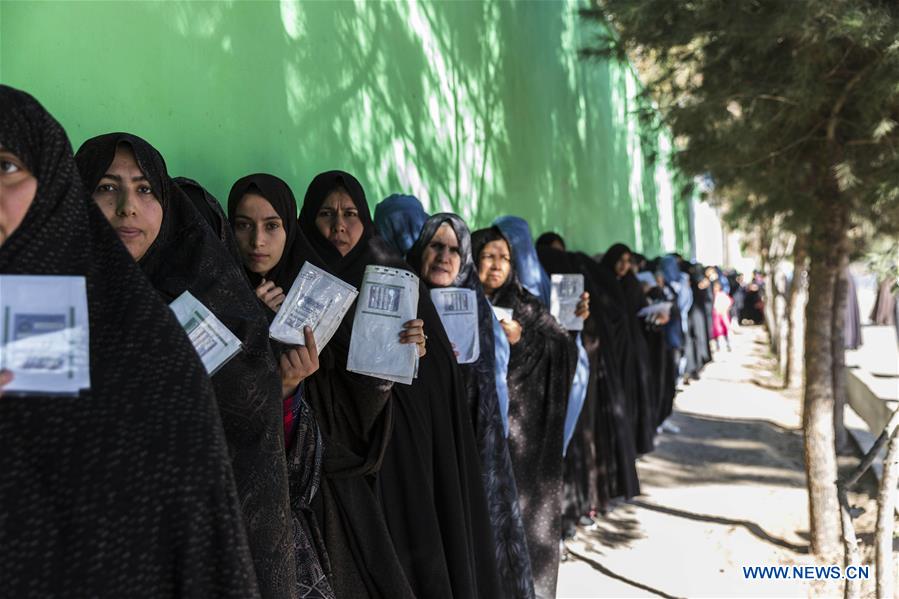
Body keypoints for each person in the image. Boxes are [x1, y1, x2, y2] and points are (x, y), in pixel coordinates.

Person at [0, 85, 258, 597]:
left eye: (7, 167)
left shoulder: (143, 344)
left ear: (51, 183)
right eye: (107, 187)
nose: (127, 209)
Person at [75, 135, 296, 599]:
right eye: (107, 188)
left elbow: (253, 432)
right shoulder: (49, 296)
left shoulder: (212, 297)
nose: (127, 207)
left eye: (144, 189)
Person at [408, 213, 536, 599]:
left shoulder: (478, 310)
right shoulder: (405, 300)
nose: (445, 257)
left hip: (474, 454)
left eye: (454, 249)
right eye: (436, 246)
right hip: (422, 457)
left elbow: (488, 391)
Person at [227, 173, 337, 599]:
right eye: (243, 224)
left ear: (290, 230)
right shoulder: (219, 297)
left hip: (303, 503)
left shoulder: (318, 296)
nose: (257, 239)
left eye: (272, 226)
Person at [473, 226, 576, 599]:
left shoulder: (526, 305)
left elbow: (564, 349)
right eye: (488, 256)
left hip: (521, 442)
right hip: (474, 437)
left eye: (504, 257)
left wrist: (522, 341)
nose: (497, 264)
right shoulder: (456, 300)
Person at [711, 279, 733, 351]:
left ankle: (728, 343)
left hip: (723, 314)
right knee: (717, 331)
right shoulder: (712, 295)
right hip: (716, 316)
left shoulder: (722, 294)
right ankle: (718, 346)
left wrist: (724, 309)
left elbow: (729, 302)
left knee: (725, 329)